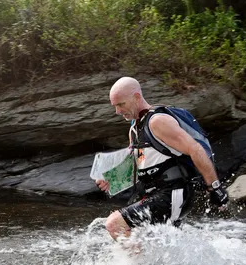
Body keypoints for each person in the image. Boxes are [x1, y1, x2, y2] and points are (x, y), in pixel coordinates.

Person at [96, 76, 229, 241]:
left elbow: (196, 149)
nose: (117, 111)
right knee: (148, 241)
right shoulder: (135, 128)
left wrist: (215, 187)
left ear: (136, 97)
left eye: (121, 104)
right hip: (155, 193)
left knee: (115, 224)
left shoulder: (157, 122)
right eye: (115, 106)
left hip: (173, 193)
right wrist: (113, 179)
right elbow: (139, 165)